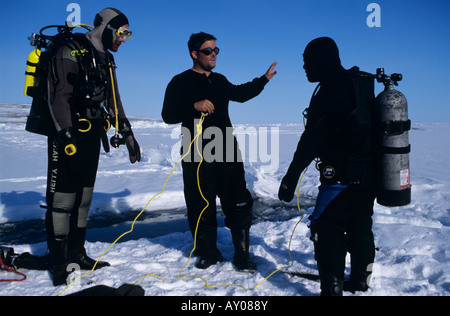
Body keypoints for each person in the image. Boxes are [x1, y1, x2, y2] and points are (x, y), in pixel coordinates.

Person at [162, 32, 277, 271]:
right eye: (207, 50)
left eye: (216, 50)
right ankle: (208, 253)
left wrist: (263, 79)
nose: (213, 54)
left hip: (226, 148)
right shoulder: (179, 81)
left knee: (238, 200)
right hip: (196, 151)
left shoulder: (220, 80)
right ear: (194, 54)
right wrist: (193, 106)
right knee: (200, 203)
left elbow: (241, 94)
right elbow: (168, 115)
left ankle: (243, 255)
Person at [45, 7, 141, 286]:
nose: (123, 39)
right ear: (107, 27)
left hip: (92, 135)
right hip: (68, 136)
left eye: (127, 34)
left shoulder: (106, 60)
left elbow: (113, 98)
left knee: (84, 198)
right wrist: (65, 136)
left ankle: (78, 254)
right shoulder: (71, 50)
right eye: (122, 33)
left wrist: (127, 131)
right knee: (62, 201)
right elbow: (58, 96)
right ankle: (60, 263)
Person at [278, 37, 376, 296]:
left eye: (307, 62)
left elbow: (312, 139)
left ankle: (331, 289)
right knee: (359, 225)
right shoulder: (358, 83)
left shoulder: (331, 89)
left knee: (326, 226)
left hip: (340, 176)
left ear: (323, 60)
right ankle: (360, 281)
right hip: (369, 175)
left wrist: (291, 176)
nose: (304, 67)